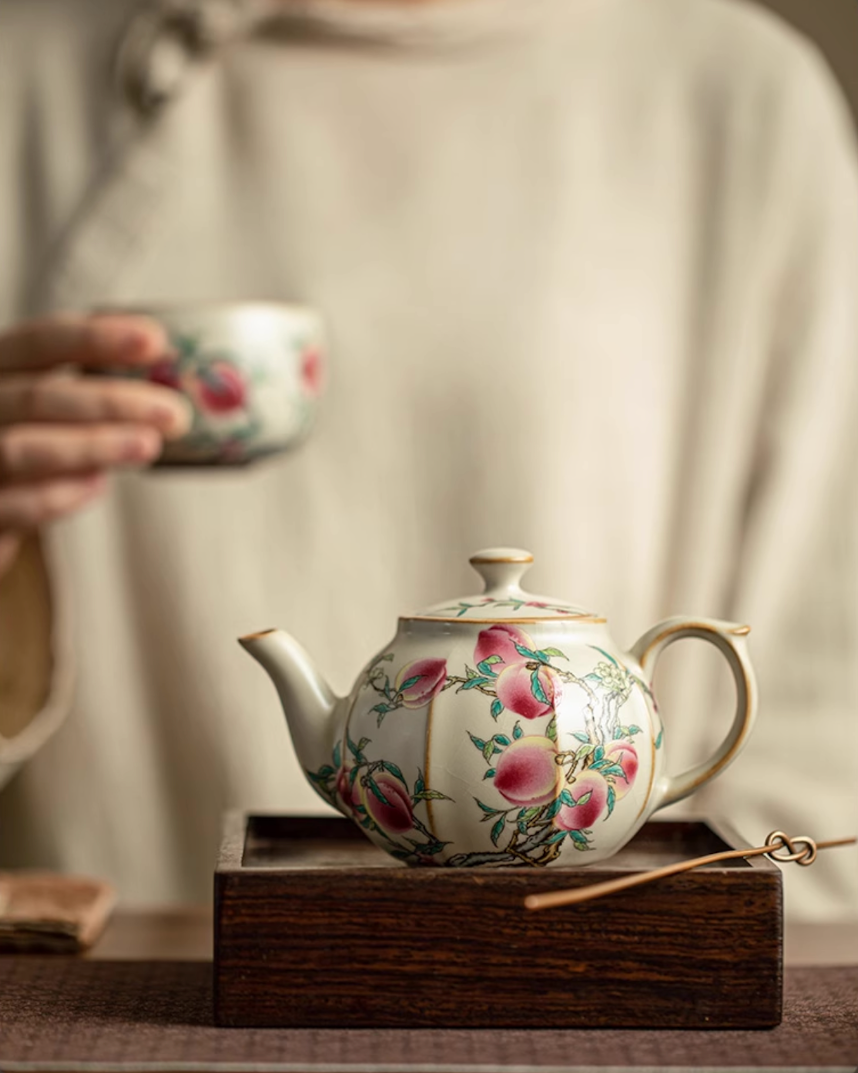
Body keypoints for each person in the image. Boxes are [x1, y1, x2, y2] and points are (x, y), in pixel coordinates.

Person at [1, 0, 856, 919]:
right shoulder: (28, 78)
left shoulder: (735, 91)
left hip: (615, 976)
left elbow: (823, 734)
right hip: (114, 978)